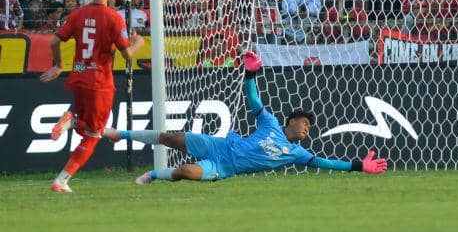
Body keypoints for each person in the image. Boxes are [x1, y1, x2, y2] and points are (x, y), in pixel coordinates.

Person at [103, 51, 387, 183]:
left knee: (185, 172)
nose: (306, 129)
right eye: (304, 123)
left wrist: (357, 166)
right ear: (292, 120)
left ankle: (153, 175)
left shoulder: (296, 153)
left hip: (225, 167)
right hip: (221, 146)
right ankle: (120, 133)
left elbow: (325, 163)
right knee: (169, 137)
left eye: (310, 127)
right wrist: (251, 74)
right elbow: (254, 101)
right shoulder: (272, 123)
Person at [40, 0, 145, 192]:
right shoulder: (114, 18)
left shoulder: (77, 14)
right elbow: (127, 55)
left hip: (79, 75)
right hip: (99, 82)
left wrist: (59, 65)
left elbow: (53, 42)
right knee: (93, 136)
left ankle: (71, 121)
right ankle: (61, 181)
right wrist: (139, 43)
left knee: (90, 128)